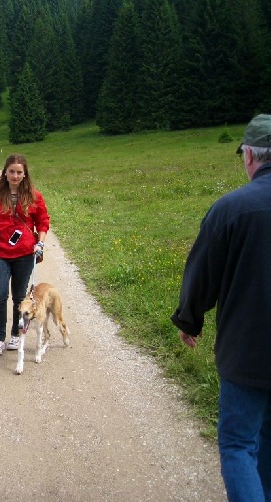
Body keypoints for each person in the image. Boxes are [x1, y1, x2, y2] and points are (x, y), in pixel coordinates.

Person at [171, 113, 271, 502]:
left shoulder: (231, 209)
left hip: (248, 350)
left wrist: (189, 320)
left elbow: (202, 274)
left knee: (238, 444)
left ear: (249, 155)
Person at [0, 154, 50, 355]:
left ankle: (15, 335)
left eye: (19, 172)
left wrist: (40, 243)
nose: (15, 176)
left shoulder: (34, 196)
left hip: (25, 254)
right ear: (5, 172)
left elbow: (43, 222)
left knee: (20, 297)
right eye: (12, 171)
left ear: (25, 173)